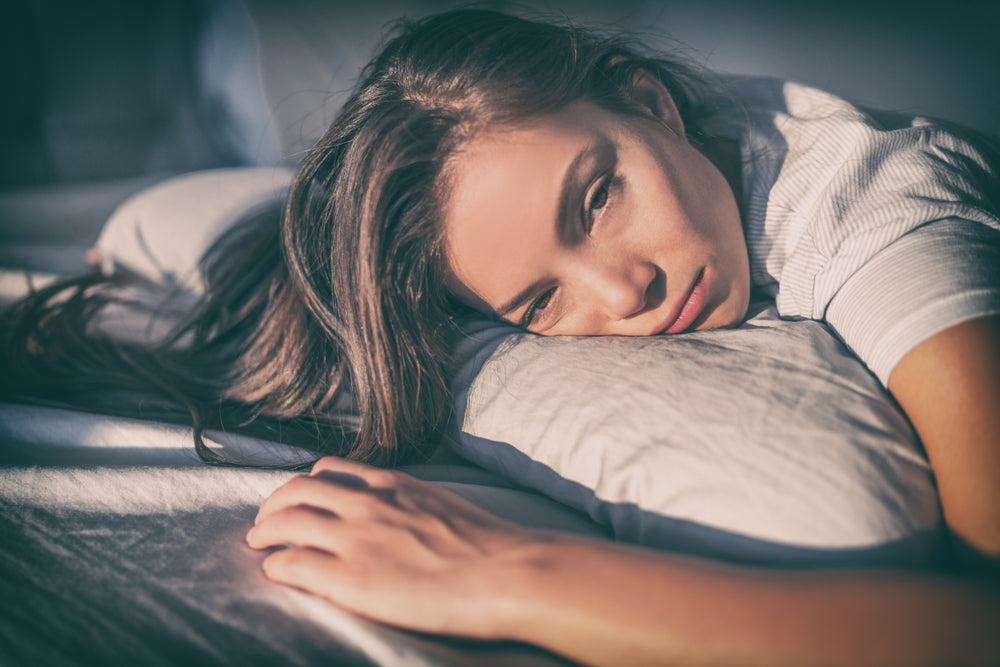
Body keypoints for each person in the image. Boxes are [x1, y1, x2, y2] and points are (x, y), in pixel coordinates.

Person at [5, 8, 1000, 666]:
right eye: (537, 303)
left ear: (650, 102)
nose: (625, 289)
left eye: (599, 196)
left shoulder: (881, 204)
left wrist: (500, 573)